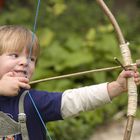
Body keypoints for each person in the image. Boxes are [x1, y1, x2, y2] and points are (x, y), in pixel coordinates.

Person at [0, 25, 139, 140]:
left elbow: (76, 100)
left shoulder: (34, 100)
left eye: (31, 59)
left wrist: (116, 87)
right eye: (14, 55)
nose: (25, 62)